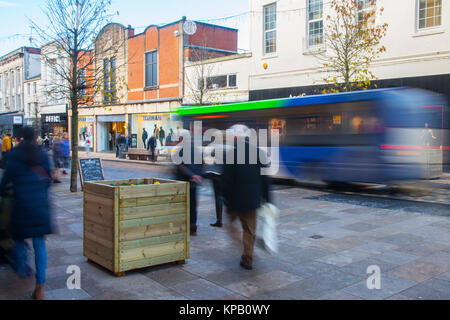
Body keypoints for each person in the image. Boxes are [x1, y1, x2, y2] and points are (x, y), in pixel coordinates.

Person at [0, 127, 54, 300]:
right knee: (40, 245)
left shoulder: (13, 155)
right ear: (35, 137)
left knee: (17, 239)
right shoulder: (43, 155)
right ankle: (40, 287)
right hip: (40, 206)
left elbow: (4, 184)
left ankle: (22, 269)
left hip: (21, 206)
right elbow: (48, 181)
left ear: (21, 137)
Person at [222, 124, 270, 270]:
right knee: (249, 230)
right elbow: (265, 179)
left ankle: (240, 244)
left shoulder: (230, 154)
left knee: (230, 225)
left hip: (234, 202)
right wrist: (267, 198)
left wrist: (224, 197)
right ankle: (247, 258)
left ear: (236, 138)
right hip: (251, 200)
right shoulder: (258, 152)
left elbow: (226, 181)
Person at [175, 131, 204, 236]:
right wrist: (199, 175)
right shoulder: (196, 150)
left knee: (184, 206)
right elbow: (202, 164)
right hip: (193, 183)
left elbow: (180, 166)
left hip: (185, 183)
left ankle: (186, 226)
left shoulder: (181, 151)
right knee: (193, 206)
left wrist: (192, 175)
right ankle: (193, 227)